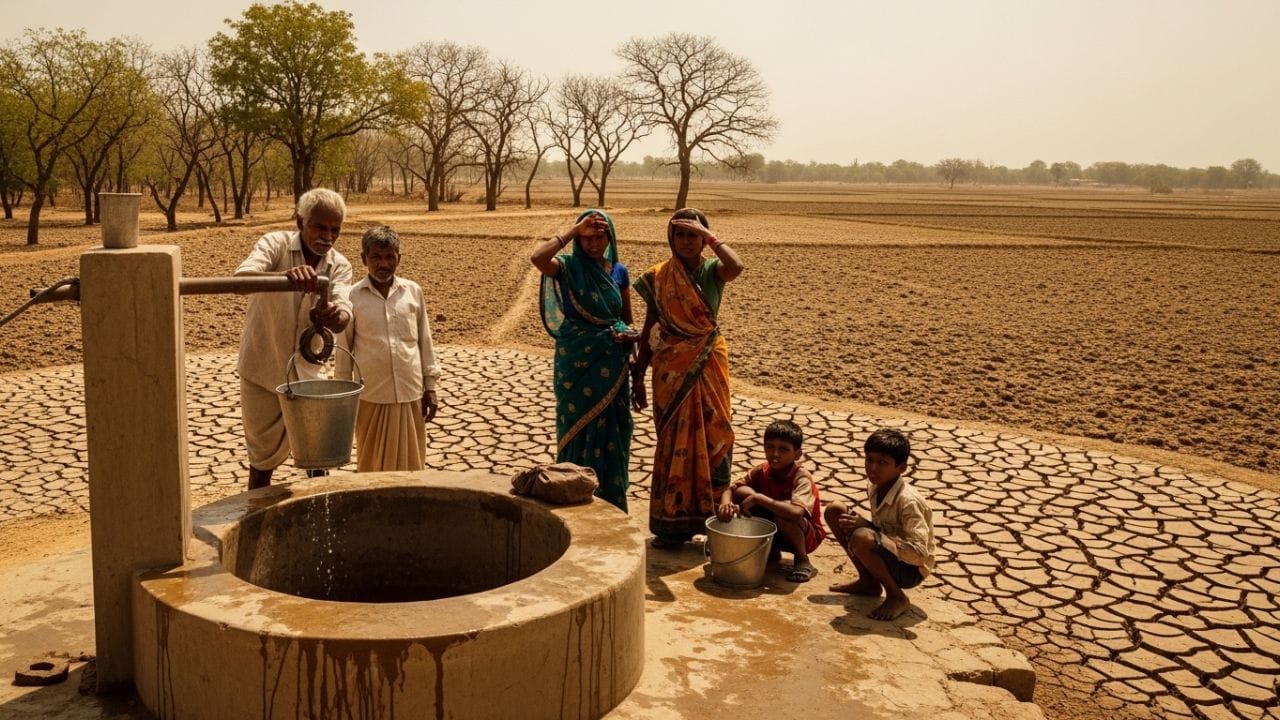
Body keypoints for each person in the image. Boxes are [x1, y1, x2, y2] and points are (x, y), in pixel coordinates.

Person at [632, 208, 745, 546]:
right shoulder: (658, 276)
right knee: (672, 441)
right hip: (669, 368)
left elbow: (736, 266)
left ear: (703, 239)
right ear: (670, 238)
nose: (685, 241)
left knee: (715, 435)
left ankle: (714, 524)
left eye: (692, 235)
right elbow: (650, 326)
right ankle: (671, 525)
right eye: (679, 234)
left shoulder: (712, 271)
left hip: (708, 362)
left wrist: (712, 238)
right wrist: (638, 375)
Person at [235, 188, 353, 490]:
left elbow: (343, 315)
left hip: (308, 373)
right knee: (261, 460)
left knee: (319, 458)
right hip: (261, 367)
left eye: (335, 229)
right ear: (301, 222)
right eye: (320, 226)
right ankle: (255, 523)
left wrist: (331, 315)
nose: (328, 236)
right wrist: (285, 277)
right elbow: (242, 279)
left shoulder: (338, 264)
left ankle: (317, 520)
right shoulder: (275, 244)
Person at [531, 209, 639, 511]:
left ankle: (611, 502)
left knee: (614, 432)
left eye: (599, 236)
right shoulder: (566, 266)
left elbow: (626, 320)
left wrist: (634, 359)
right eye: (587, 237)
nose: (593, 243)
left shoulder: (619, 271)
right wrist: (572, 230)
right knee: (575, 426)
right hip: (576, 360)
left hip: (613, 365)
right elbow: (538, 258)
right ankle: (572, 496)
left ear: (610, 237)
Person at [336, 225, 441, 472]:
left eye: (389, 257)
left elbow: (424, 341)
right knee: (371, 464)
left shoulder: (412, 292)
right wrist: (343, 401)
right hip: (371, 395)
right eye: (376, 257)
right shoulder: (351, 296)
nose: (383, 264)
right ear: (364, 259)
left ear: (398, 258)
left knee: (412, 462)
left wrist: (431, 387)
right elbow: (344, 352)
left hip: (410, 392)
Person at [825, 428, 936, 620]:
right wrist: (869, 529)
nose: (873, 468)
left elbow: (919, 554)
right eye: (869, 460)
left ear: (901, 467)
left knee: (863, 537)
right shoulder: (875, 486)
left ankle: (896, 596)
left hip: (910, 569)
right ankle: (868, 582)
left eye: (883, 462)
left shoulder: (908, 501)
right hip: (889, 552)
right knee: (835, 510)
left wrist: (869, 529)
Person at [716, 419, 826, 582]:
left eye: (783, 449)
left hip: (804, 534)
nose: (775, 454)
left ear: (797, 454)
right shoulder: (762, 470)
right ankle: (771, 550)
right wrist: (725, 505)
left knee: (783, 516)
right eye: (770, 447)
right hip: (774, 527)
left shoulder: (801, 477)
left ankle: (802, 560)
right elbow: (731, 489)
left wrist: (758, 498)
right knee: (741, 493)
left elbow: (796, 514)